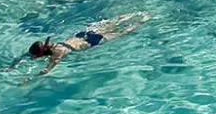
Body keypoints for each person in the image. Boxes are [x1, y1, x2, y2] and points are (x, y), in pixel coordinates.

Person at [19, 12, 148, 75]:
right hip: (83, 34)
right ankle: (136, 14)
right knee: (115, 22)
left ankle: (141, 22)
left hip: (91, 41)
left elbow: (49, 68)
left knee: (123, 32)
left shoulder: (57, 53)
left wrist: (34, 77)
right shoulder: (53, 45)